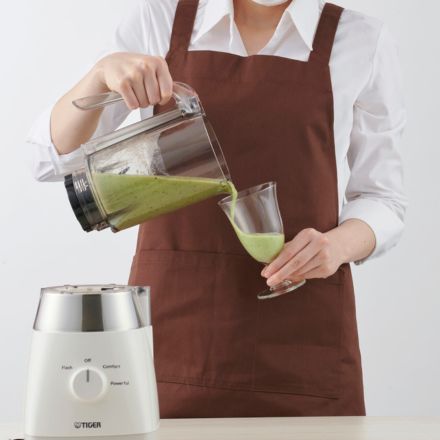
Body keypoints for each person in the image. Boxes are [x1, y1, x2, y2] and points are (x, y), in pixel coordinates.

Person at [27, 0, 407, 417]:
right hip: (177, 334)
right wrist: (100, 75)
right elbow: (48, 161)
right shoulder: (162, 20)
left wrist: (335, 247)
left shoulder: (361, 40)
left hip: (301, 335)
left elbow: (383, 199)